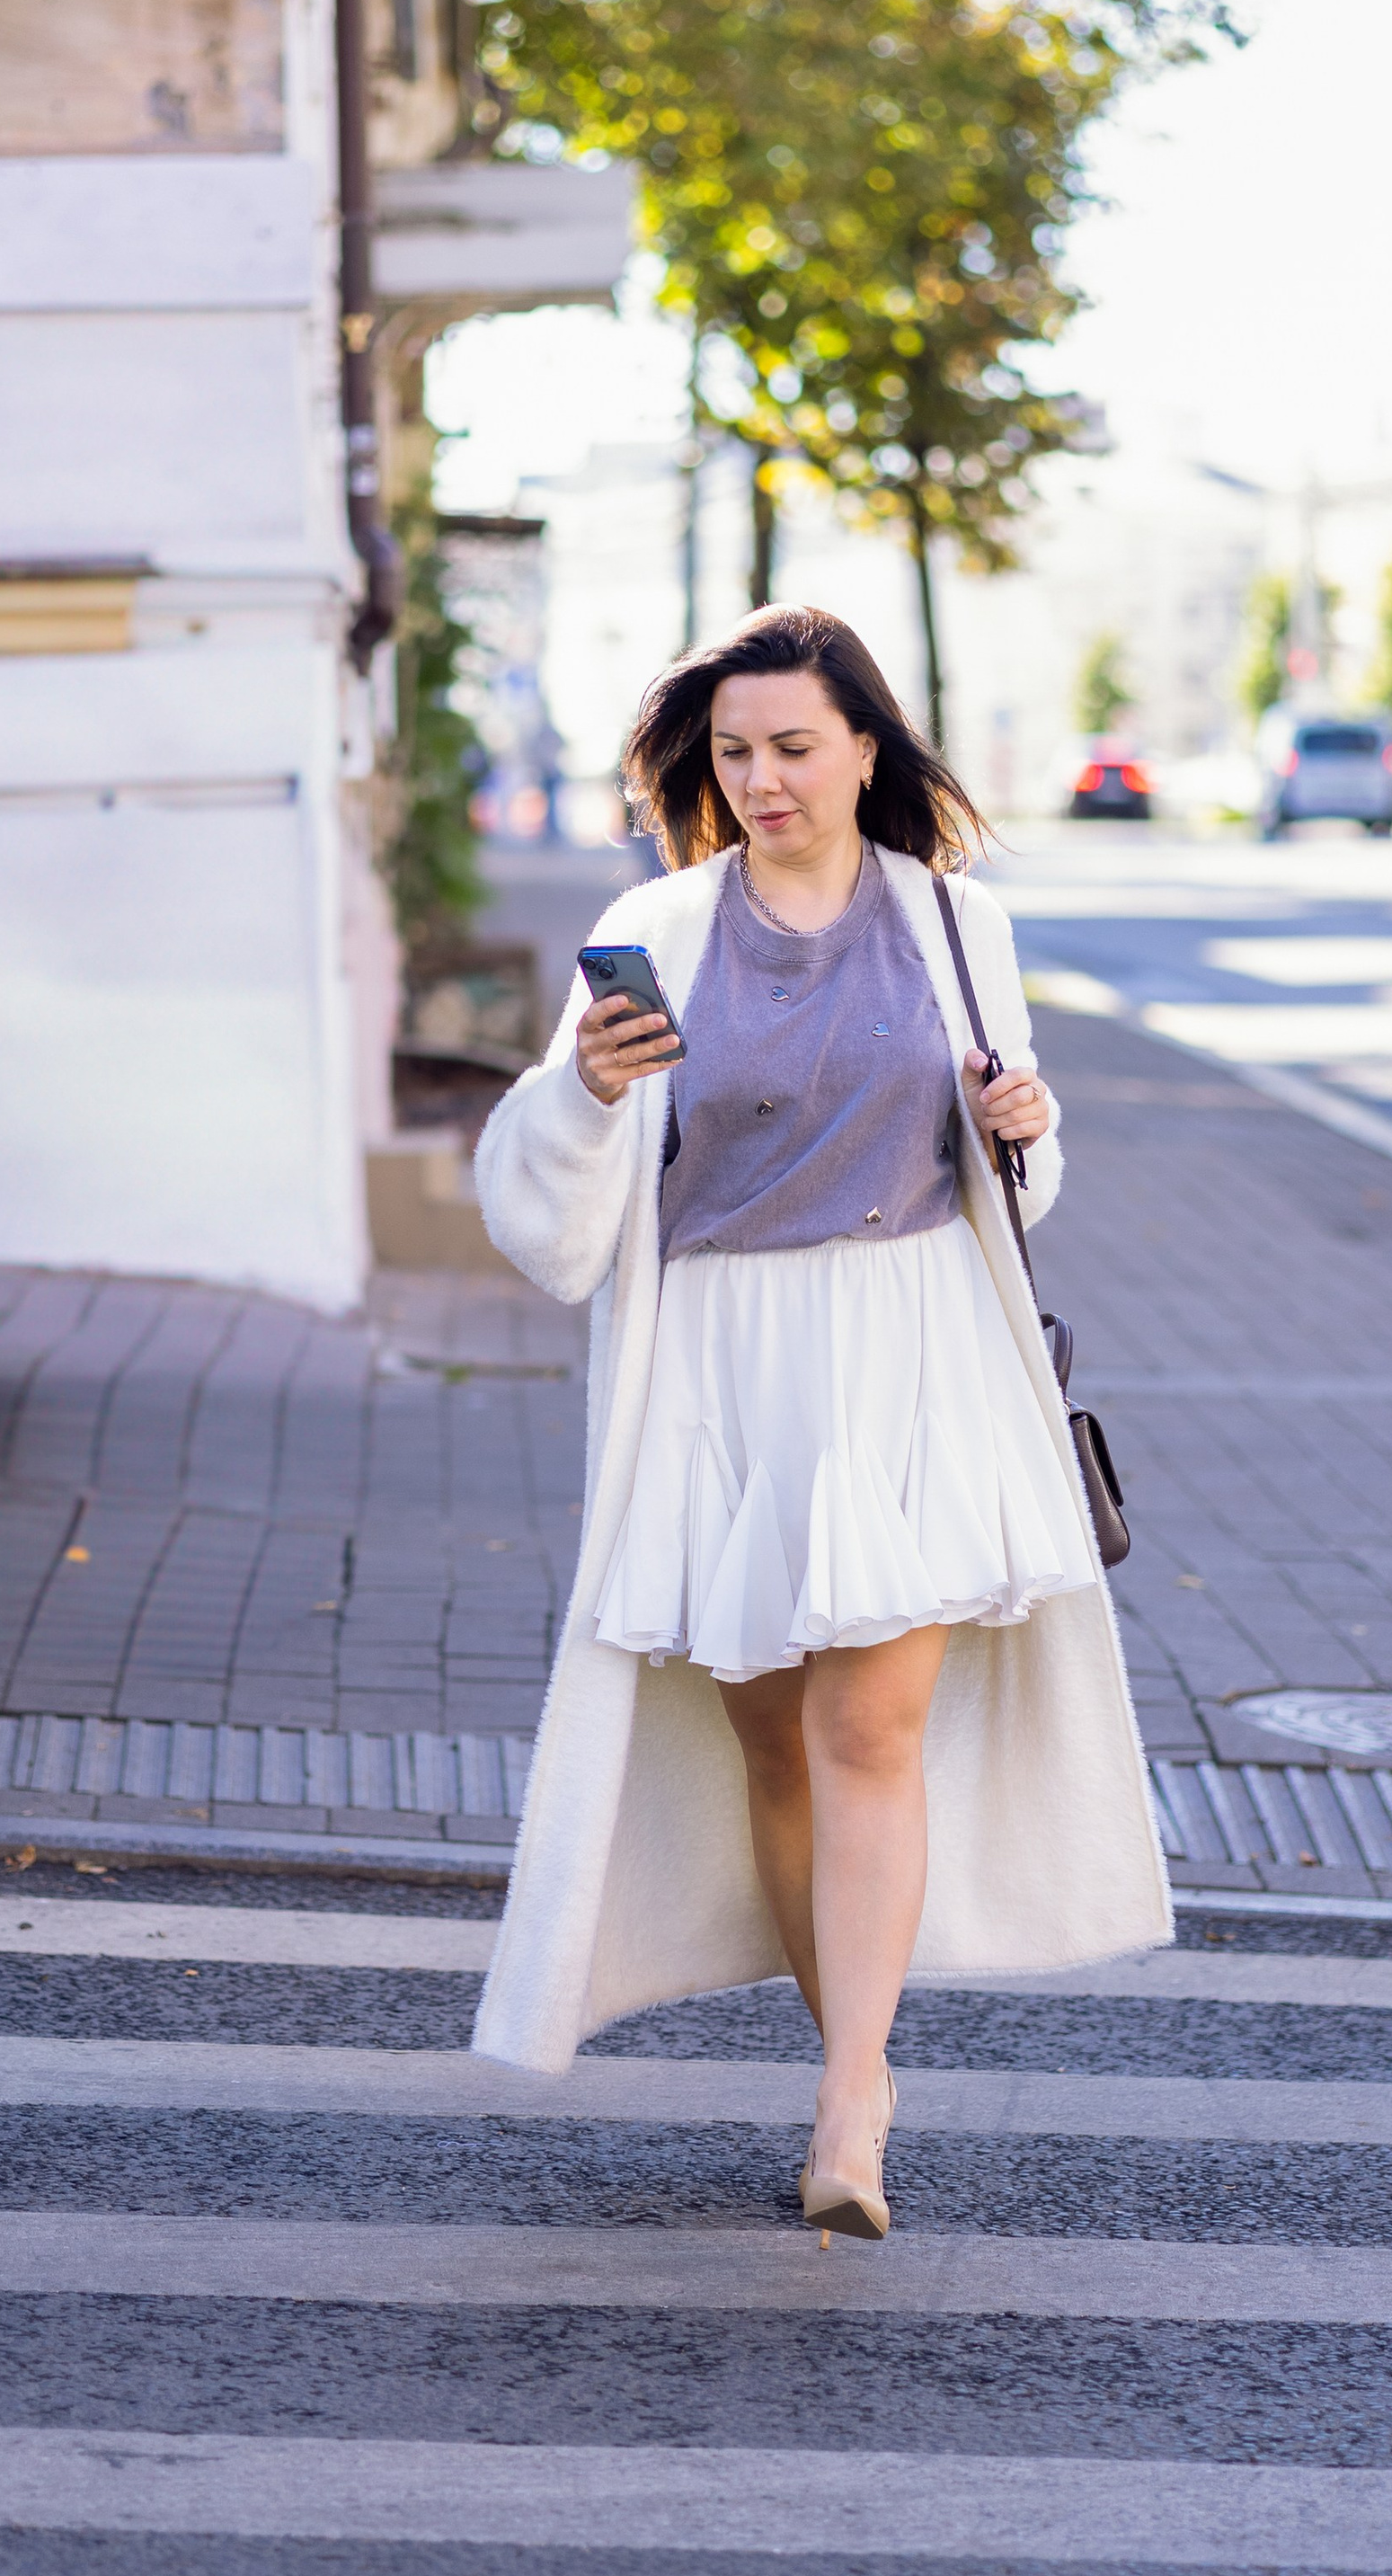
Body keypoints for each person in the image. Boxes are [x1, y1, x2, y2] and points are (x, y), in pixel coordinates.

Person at [471, 605, 1169, 2234]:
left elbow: (1021, 1180)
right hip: (722, 1373)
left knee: (871, 1735)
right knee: (775, 1745)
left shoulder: (950, 924)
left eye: (795, 746)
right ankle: (845, 2046)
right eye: (735, 753)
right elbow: (553, 1215)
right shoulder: (660, 923)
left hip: (909, 1353)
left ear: (867, 745)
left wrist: (1026, 1117)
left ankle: (853, 2095)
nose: (765, 778)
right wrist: (583, 1086)